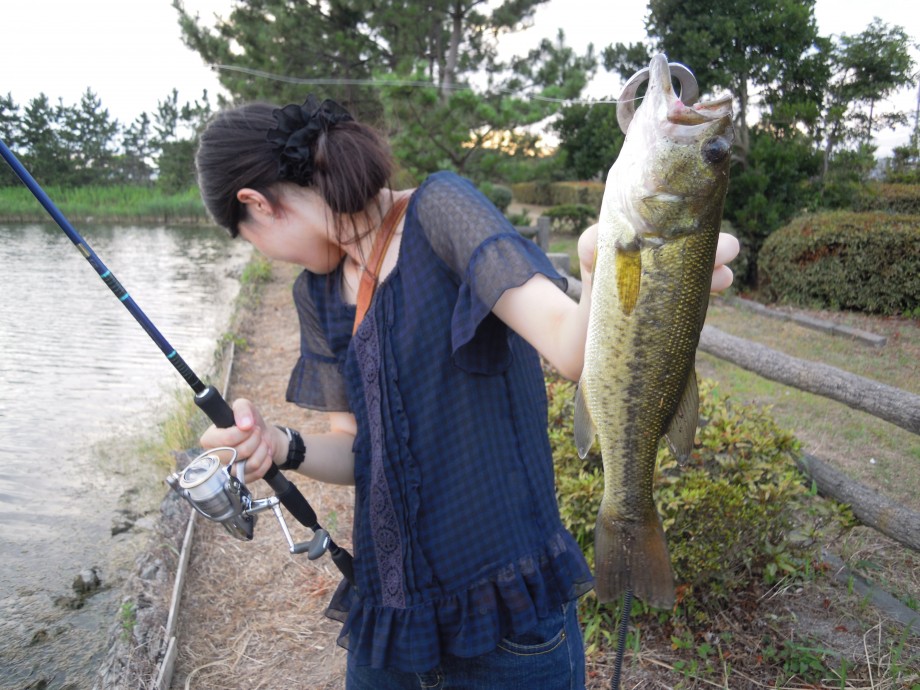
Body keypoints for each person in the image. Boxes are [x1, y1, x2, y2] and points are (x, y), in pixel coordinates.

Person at [195, 95, 739, 690]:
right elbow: (359, 450)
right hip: (391, 627)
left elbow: (568, 346)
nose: (265, 256)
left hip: (506, 628)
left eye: (249, 240)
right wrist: (281, 444)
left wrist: (606, 265)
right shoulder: (317, 293)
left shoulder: (440, 211)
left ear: (257, 206)